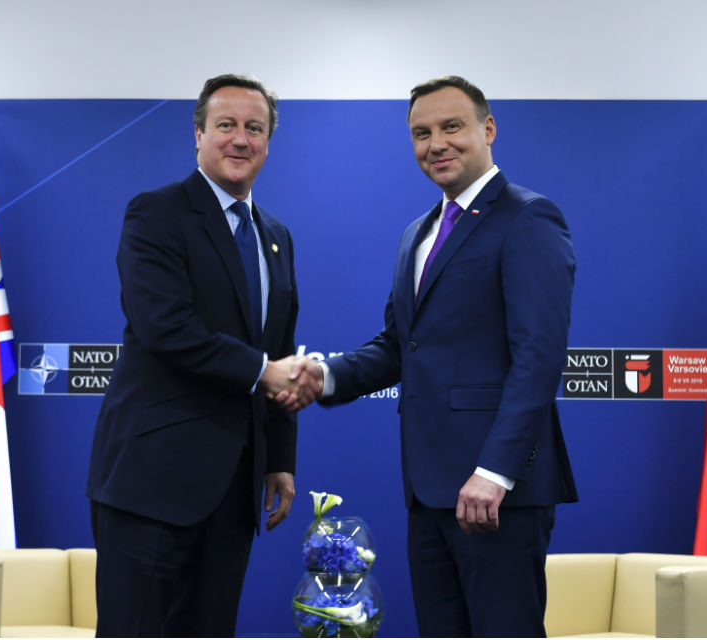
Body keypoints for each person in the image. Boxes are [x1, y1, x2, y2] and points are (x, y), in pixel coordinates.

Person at [285, 76, 577, 637]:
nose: (436, 144)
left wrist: (494, 472)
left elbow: (538, 357)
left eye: (452, 127)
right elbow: (400, 346)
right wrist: (324, 376)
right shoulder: (416, 235)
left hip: (496, 492)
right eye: (421, 133)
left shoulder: (529, 217)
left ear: (488, 129)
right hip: (428, 491)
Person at [86, 73, 320, 637]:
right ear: (198, 134)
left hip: (234, 488)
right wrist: (264, 371)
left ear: (268, 142)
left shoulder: (277, 236)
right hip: (151, 483)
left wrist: (279, 458)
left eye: (254, 128)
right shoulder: (156, 213)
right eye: (226, 125)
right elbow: (165, 328)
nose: (240, 138)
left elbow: (279, 348)